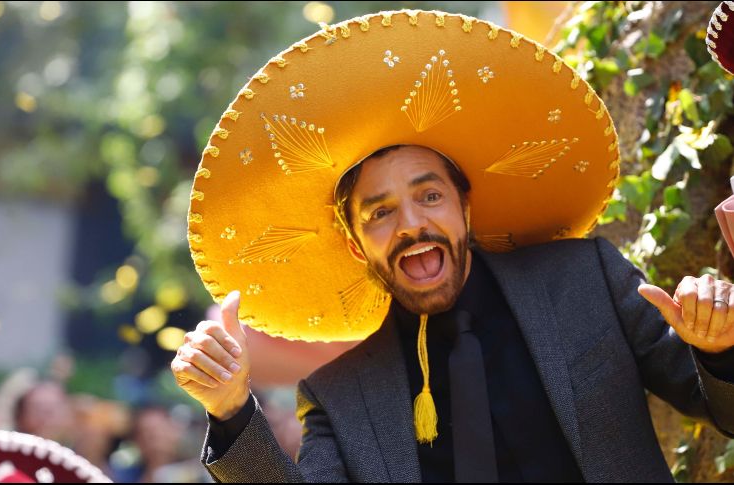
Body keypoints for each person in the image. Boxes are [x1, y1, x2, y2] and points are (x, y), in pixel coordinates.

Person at [171, 10, 734, 482]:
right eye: (380, 213)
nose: (411, 225)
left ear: (465, 208)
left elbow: (722, 409)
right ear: (355, 244)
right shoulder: (336, 396)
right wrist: (230, 411)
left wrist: (719, 349)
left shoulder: (585, 279)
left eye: (430, 196)